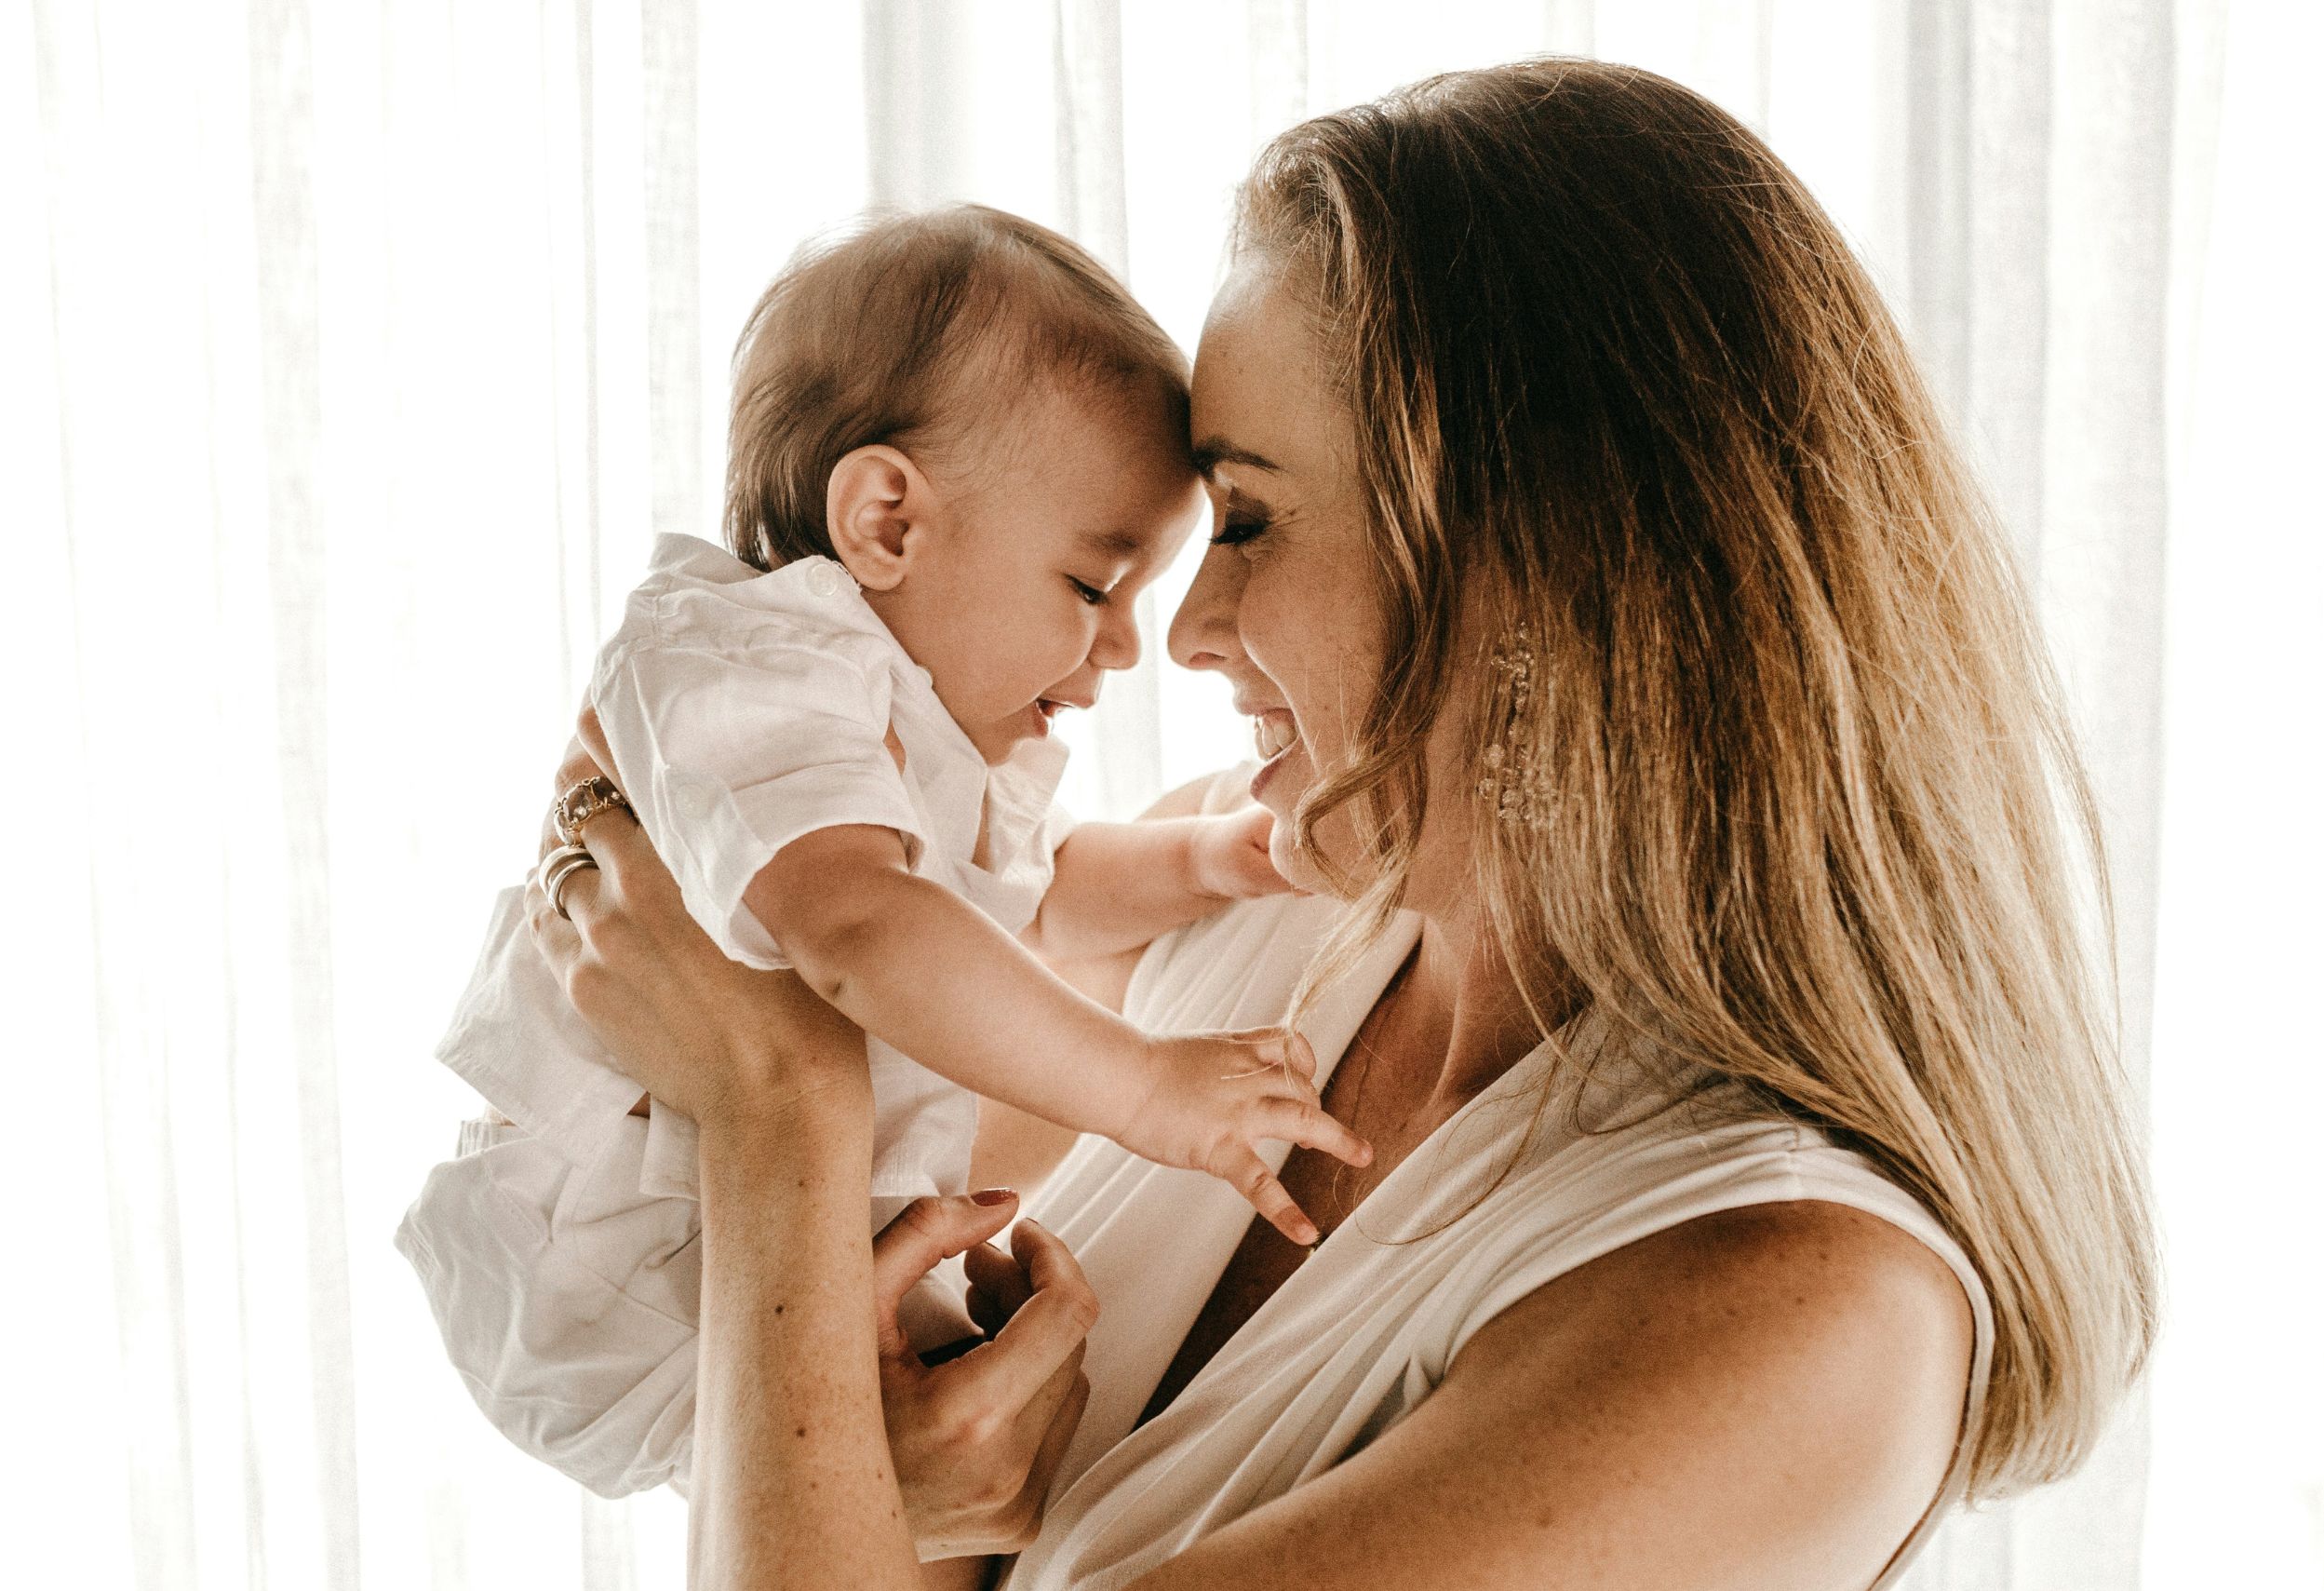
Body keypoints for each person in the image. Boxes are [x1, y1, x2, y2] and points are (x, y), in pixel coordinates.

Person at [437, 59, 2160, 1588]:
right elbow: (846, 1473)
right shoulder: (1236, 912)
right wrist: (909, 1477)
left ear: (1538, 562)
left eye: (1246, 519)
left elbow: (800, 1239)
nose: (1178, 634)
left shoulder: (1793, 1312)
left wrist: (776, 1098)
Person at [404, 205, 1365, 1496]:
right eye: (1095, 586)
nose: (1133, 643)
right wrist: (1144, 1089)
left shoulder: (911, 724)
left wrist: (1210, 860)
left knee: (982, 1455)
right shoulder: (751, 657)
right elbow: (864, 930)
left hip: (761, 1237)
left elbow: (1027, 898)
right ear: (887, 524)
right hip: (620, 1253)